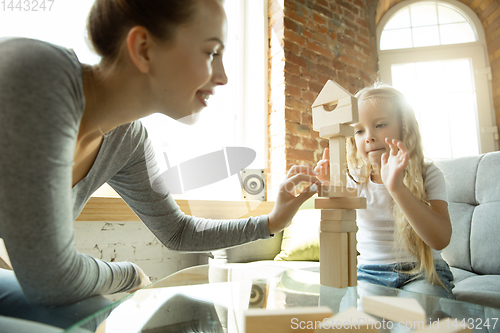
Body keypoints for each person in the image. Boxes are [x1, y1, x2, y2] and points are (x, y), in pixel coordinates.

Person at [0, 0, 321, 330]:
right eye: (211, 53)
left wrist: (272, 221)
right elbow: (52, 277)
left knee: (91, 313)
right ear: (143, 49)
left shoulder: (127, 140)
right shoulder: (37, 73)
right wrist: (129, 274)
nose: (223, 77)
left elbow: (177, 231)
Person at [315, 82, 455, 299]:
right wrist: (328, 185)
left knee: (417, 320)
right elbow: (337, 222)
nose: (369, 136)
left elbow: (440, 240)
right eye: (359, 130)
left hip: (423, 273)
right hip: (370, 274)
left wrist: (397, 188)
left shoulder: (428, 174)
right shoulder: (354, 179)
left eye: (380, 125)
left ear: (404, 127)